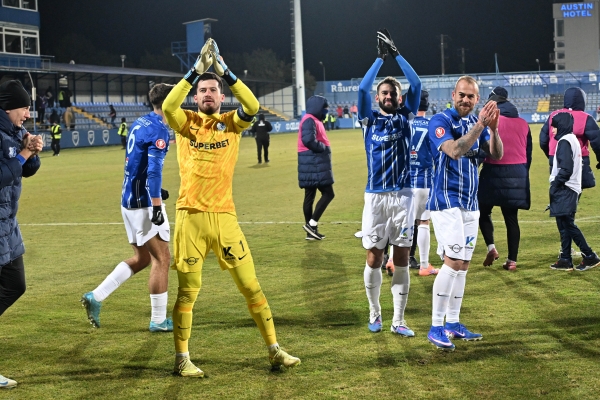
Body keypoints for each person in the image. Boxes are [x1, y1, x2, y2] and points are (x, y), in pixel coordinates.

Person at [162, 38, 300, 377]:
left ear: (221, 97)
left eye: (213, 90)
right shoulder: (185, 122)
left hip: (225, 217)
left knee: (251, 286)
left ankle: (274, 350)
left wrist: (225, 71)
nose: (208, 94)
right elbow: (167, 106)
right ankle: (182, 359)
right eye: (203, 90)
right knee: (188, 292)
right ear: (196, 96)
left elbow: (252, 105)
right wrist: (195, 71)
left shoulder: (232, 123)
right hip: (191, 217)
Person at [81, 83, 174, 331]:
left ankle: (96, 296)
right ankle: (158, 320)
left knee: (143, 258)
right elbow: (154, 171)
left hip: (128, 199)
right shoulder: (159, 130)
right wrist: (156, 204)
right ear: (170, 103)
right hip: (144, 205)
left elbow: (135, 163)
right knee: (162, 258)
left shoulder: (140, 122)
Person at [425, 76, 503, 351]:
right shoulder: (441, 121)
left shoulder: (477, 123)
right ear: (453, 94)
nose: (466, 100)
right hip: (446, 202)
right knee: (453, 260)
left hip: (470, 204)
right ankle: (436, 326)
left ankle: (453, 323)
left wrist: (493, 129)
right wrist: (481, 124)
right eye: (462, 95)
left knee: (464, 265)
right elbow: (455, 151)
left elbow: (496, 154)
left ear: (477, 99)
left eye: (471, 96)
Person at [358, 28, 422, 337]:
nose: (388, 96)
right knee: (374, 257)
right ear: (378, 97)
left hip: (403, 197)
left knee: (401, 258)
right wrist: (380, 60)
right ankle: (375, 314)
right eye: (383, 93)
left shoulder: (405, 117)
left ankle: (399, 320)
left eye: (392, 93)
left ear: (399, 97)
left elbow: (417, 84)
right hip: (375, 198)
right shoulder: (368, 120)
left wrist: (396, 55)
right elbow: (362, 88)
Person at [0, 80, 43, 389]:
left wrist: (33, 150)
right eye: (24, 108)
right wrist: (25, 153)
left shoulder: (14, 131)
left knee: (16, 284)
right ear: (8, 107)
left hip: (7, 225)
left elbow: (26, 169)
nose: (28, 114)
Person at [478, 87, 532, 271]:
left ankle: (491, 247)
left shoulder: (490, 121)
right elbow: (528, 154)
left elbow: (481, 150)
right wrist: (522, 174)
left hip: (492, 173)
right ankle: (512, 261)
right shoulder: (523, 123)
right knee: (511, 218)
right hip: (517, 174)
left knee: (483, 212)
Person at [548, 112, 600, 271]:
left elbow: (566, 169)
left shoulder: (564, 141)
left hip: (566, 188)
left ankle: (589, 255)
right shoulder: (573, 139)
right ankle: (565, 259)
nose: (552, 130)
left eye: (554, 126)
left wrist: (555, 185)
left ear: (561, 125)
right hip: (571, 187)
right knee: (564, 224)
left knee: (568, 225)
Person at [539, 87, 600, 193]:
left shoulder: (554, 115)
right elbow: (597, 142)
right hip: (578, 159)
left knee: (560, 190)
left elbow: (543, 140)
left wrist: (552, 156)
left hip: (555, 158)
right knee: (573, 192)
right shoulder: (586, 118)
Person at [405, 89, 439, 277]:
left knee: (403, 221)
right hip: (424, 180)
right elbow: (437, 154)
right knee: (423, 221)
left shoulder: (404, 124)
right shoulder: (432, 125)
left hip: (405, 181)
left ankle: (394, 261)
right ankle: (424, 265)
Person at [298, 95, 335, 240]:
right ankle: (311, 224)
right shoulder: (310, 120)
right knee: (328, 193)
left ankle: (311, 232)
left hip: (309, 161)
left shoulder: (312, 119)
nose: (326, 111)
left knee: (310, 196)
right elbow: (308, 140)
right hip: (313, 161)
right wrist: (322, 147)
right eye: (324, 108)